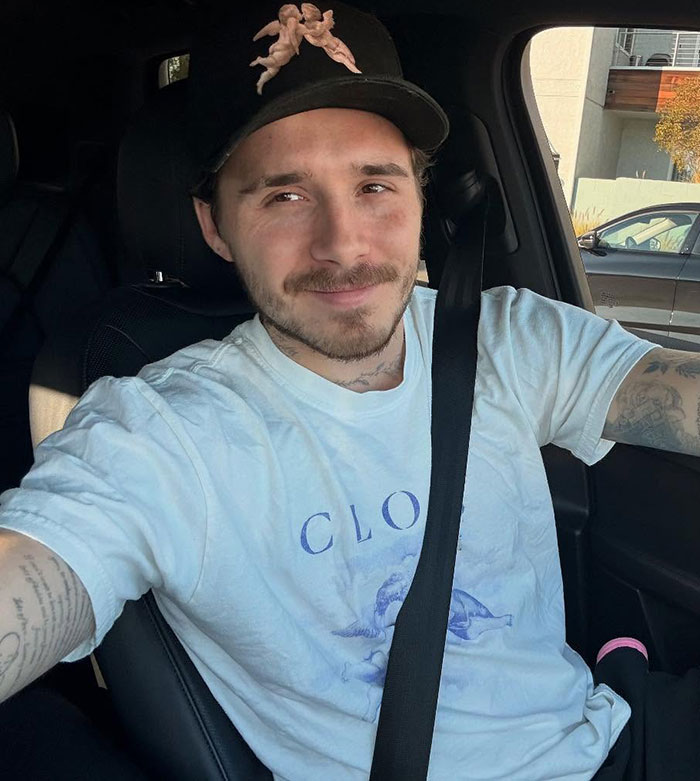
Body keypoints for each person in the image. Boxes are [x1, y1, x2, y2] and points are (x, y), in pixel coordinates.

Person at [1, 2, 700, 779]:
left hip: (616, 740)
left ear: (421, 196)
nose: (343, 244)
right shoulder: (161, 432)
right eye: (284, 196)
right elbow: (39, 562)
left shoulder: (507, 338)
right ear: (214, 225)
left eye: (375, 185)